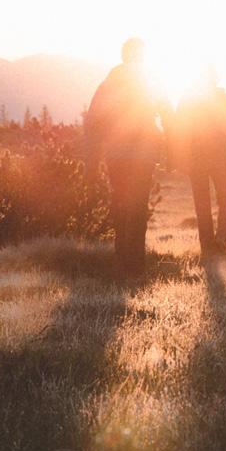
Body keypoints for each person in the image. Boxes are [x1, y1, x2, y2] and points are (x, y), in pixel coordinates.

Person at [84, 37, 171, 279]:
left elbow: (93, 124)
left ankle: (123, 261)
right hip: (140, 154)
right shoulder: (150, 80)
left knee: (122, 203)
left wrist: (91, 164)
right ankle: (134, 264)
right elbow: (168, 115)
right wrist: (173, 151)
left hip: (120, 154)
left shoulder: (109, 84)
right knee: (135, 206)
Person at [174, 67, 226, 260]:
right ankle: (221, 241)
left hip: (198, 160)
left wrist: (177, 158)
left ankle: (209, 245)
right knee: (225, 199)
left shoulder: (188, 100)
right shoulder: (222, 99)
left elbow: (177, 130)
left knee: (203, 204)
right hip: (218, 158)